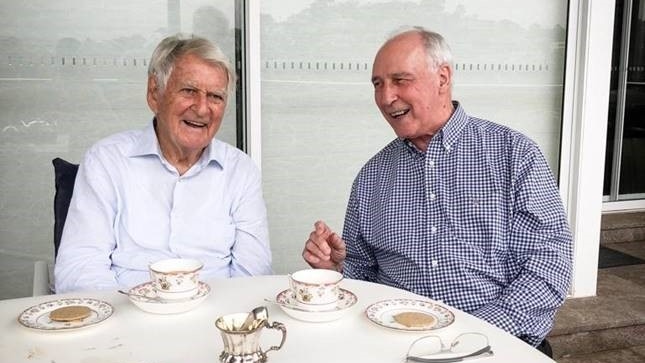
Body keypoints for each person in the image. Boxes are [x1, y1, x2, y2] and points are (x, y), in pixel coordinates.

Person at [302, 26, 572, 353]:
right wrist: (338, 268)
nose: (386, 97)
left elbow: (548, 267)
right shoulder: (372, 176)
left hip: (498, 345)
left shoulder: (513, 155)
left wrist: (468, 336)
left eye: (400, 80)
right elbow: (364, 276)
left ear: (442, 78)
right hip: (397, 347)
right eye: (378, 84)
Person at [55, 34, 272, 293]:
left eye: (215, 96)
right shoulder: (106, 162)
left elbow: (253, 272)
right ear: (154, 94)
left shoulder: (241, 171)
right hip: (126, 318)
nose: (202, 109)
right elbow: (79, 269)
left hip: (215, 320)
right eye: (189, 91)